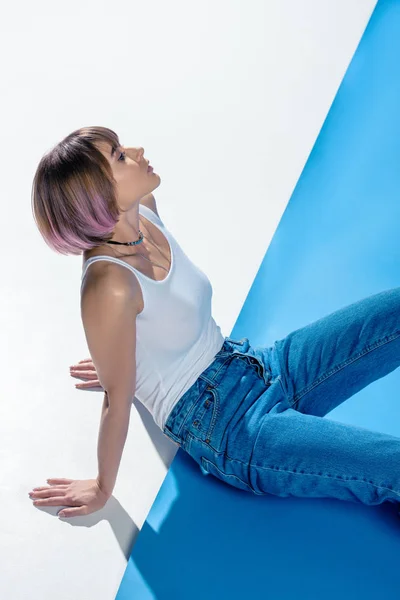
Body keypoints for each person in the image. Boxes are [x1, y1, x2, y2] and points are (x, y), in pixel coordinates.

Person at [29, 125, 400, 519]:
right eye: (119, 156)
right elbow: (115, 403)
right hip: (230, 429)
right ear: (96, 198)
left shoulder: (146, 212)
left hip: (258, 365)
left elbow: (161, 317)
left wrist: (123, 361)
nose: (137, 151)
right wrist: (103, 488)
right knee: (391, 462)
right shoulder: (108, 286)